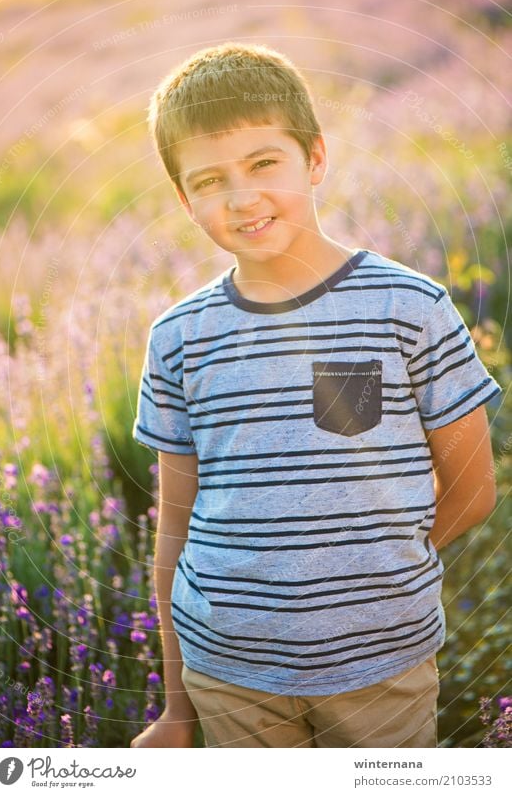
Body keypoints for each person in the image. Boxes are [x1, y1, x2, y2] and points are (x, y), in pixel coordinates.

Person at [129, 42, 502, 748]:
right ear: (184, 198)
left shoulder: (409, 306)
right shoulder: (178, 337)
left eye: (264, 163)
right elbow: (173, 531)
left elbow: (472, 488)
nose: (241, 198)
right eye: (208, 180)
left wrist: (371, 571)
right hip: (227, 670)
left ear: (316, 159)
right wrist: (178, 708)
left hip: (380, 665)